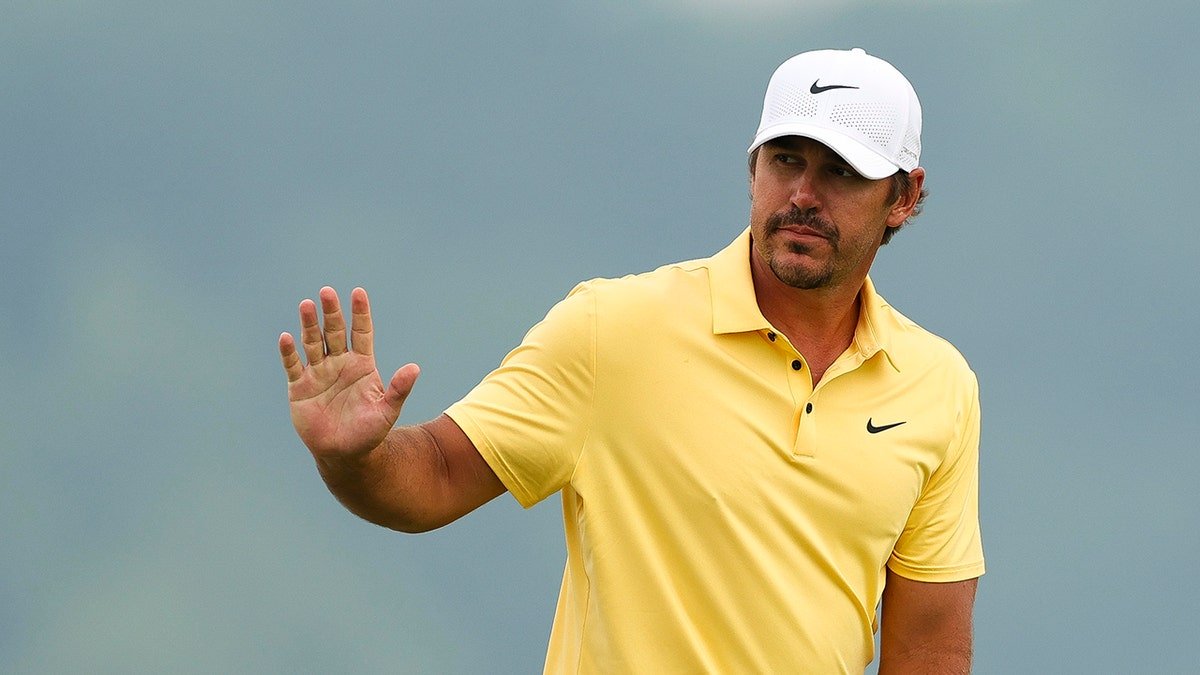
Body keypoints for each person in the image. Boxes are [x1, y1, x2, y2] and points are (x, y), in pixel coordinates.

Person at [279, 47, 984, 673]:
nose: (803, 195)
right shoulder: (610, 328)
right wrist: (354, 458)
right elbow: (433, 475)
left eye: (841, 172)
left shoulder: (937, 387)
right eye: (786, 159)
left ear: (904, 196)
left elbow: (929, 647)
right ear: (752, 166)